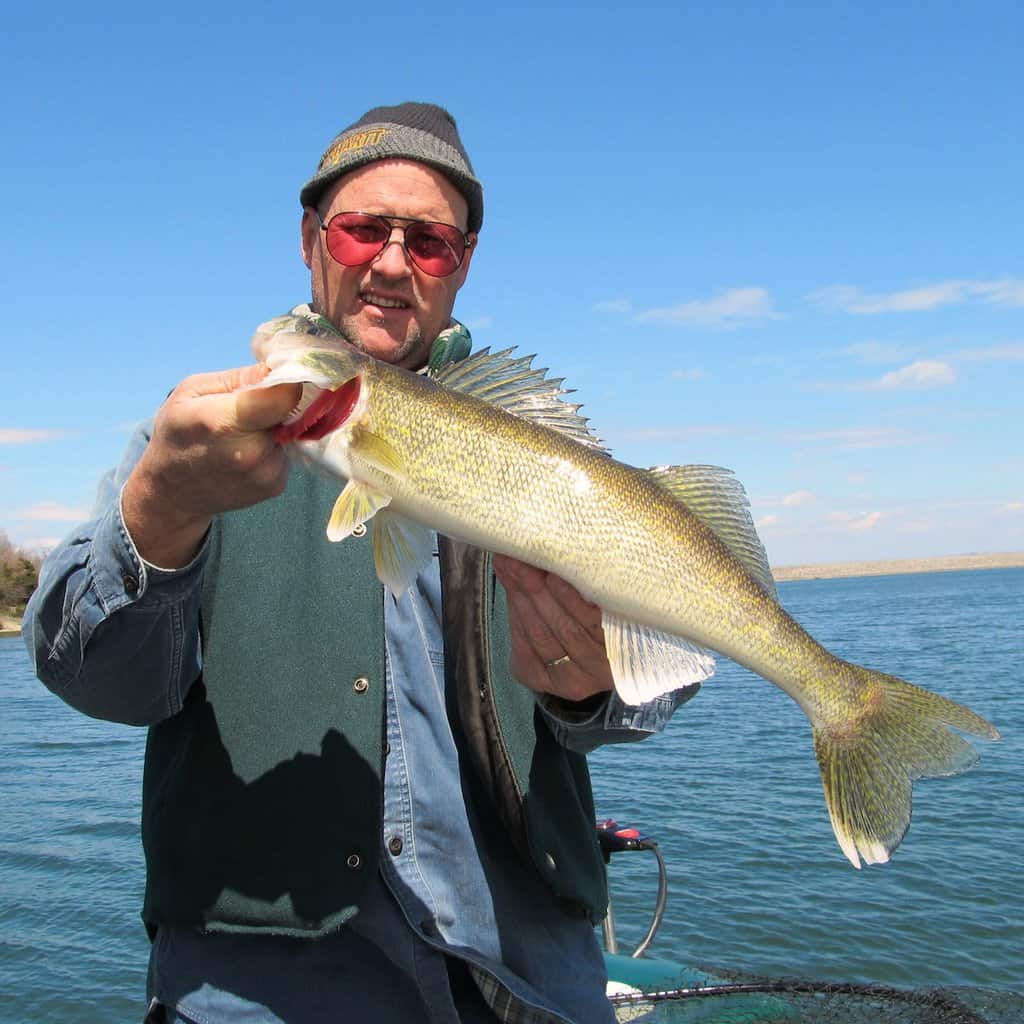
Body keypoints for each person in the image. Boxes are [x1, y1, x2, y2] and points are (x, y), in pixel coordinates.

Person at [24, 102, 699, 1024]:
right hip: (264, 995)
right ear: (311, 241)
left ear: (461, 267)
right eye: (359, 230)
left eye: (428, 243)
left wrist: (592, 690)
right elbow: (94, 680)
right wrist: (160, 509)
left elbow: (658, 687)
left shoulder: (537, 455)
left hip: (529, 980)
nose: (390, 263)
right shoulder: (191, 450)